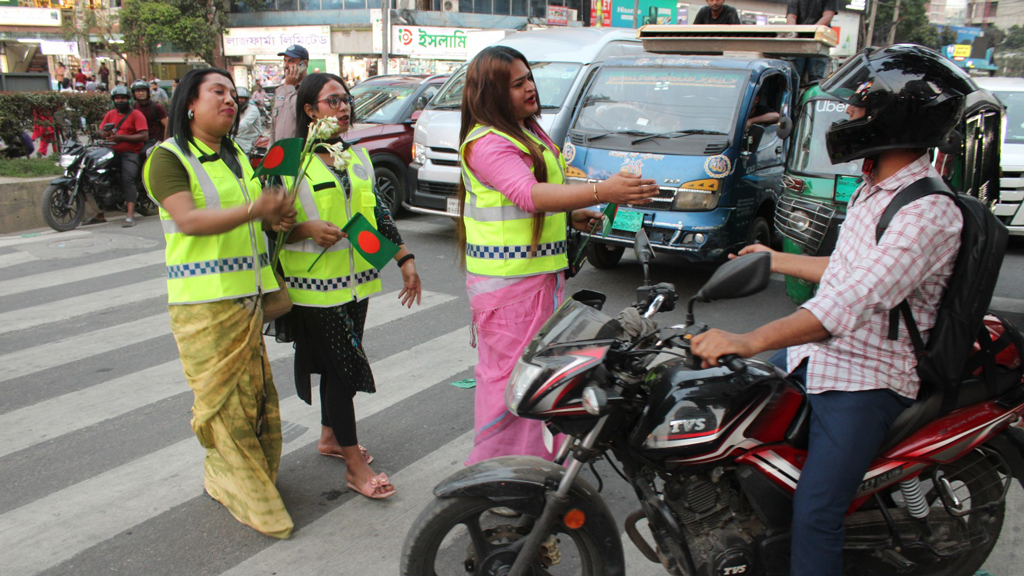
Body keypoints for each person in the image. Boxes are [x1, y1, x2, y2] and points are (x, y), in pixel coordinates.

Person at [690, 45, 971, 576]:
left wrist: (749, 340)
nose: (848, 117)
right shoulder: (875, 189)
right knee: (721, 417)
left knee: (816, 512)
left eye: (860, 107)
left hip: (868, 378)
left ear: (895, 115)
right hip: (815, 357)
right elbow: (845, 270)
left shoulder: (928, 212)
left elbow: (853, 301)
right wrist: (776, 259)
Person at [458, 46, 659, 465]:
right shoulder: (488, 142)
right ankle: (498, 476)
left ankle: (533, 470)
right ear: (493, 92)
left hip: (537, 280)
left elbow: (534, 199)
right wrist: (604, 191)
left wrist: (575, 213)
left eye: (529, 77)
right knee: (513, 384)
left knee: (540, 378)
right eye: (518, 83)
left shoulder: (524, 130)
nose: (530, 87)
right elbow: (528, 195)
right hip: (509, 286)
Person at [141, 67, 297, 539]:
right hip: (203, 306)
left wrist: (278, 221)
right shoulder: (167, 159)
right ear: (190, 102)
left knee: (253, 402)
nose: (230, 100)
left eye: (233, 93)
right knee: (225, 408)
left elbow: (252, 224)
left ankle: (227, 477)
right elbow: (189, 221)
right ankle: (256, 502)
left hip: (247, 299)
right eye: (218, 92)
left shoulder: (234, 157)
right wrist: (257, 209)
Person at [273, 72, 420, 499]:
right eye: (332, 101)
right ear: (308, 110)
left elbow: (372, 217)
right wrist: (305, 229)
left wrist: (403, 258)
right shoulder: (288, 159)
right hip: (311, 288)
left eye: (346, 100)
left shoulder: (356, 157)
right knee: (342, 369)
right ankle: (354, 465)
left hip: (357, 283)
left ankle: (330, 437)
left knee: (338, 362)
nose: (343, 108)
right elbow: (267, 226)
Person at [86, 85, 148, 227]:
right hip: (110, 152)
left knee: (128, 179)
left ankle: (130, 214)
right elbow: (102, 130)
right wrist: (103, 134)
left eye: (123, 98)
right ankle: (98, 213)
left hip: (130, 153)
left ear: (128, 100)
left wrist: (122, 138)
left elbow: (144, 135)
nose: (120, 101)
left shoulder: (136, 115)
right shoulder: (110, 114)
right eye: (117, 98)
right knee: (95, 177)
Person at [786, 0, 838, 82]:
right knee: (794, 77)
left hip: (817, 41)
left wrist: (809, 31)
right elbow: (791, 16)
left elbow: (828, 15)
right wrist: (794, 31)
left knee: (812, 77)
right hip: (801, 41)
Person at [271, 44, 308, 144]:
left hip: (298, 153)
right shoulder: (280, 90)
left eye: (291, 61)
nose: (286, 65)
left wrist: (290, 87)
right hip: (279, 152)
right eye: (285, 61)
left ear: (303, 64)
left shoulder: (310, 89)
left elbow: (300, 116)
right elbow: (274, 126)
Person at [132, 79, 168, 143]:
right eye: (137, 91)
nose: (141, 93)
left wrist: (164, 142)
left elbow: (167, 125)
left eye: (143, 90)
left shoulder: (156, 107)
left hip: (155, 141)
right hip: (140, 141)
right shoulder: (134, 107)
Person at [231, 87, 261, 154]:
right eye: (238, 98)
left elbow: (243, 125)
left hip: (250, 140)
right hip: (238, 138)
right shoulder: (235, 109)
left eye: (242, 98)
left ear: (247, 99)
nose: (240, 100)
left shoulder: (253, 110)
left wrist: (229, 130)